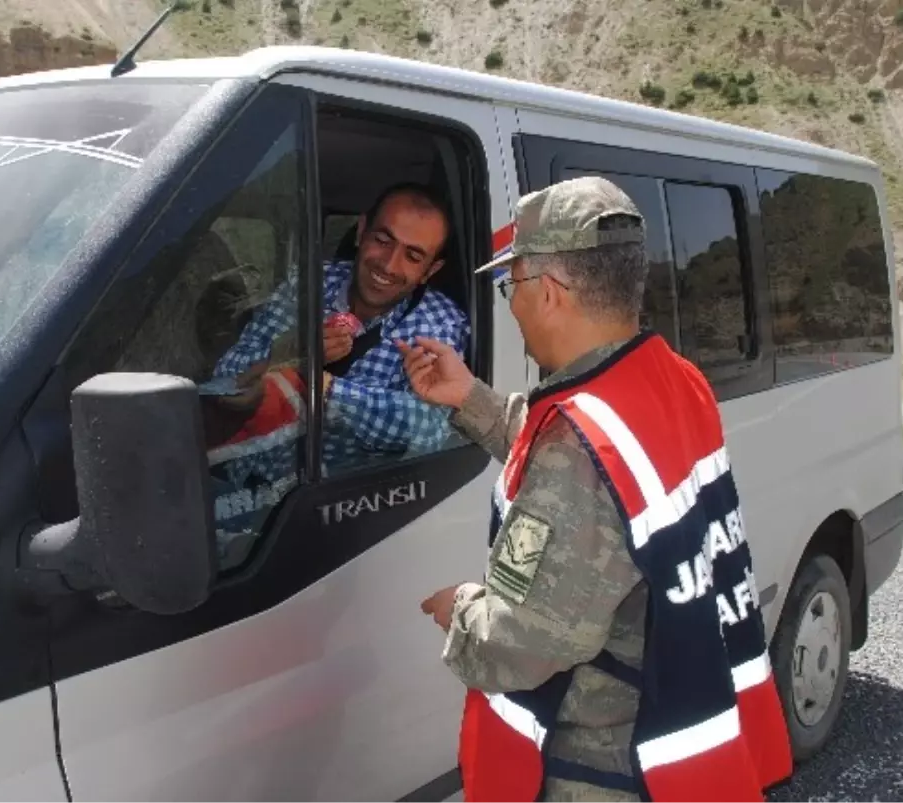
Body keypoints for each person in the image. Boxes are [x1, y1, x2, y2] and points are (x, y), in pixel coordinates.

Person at [399, 176, 793, 802]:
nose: (512, 303)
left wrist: (461, 611)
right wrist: (469, 399)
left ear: (550, 292)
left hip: (603, 772)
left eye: (512, 285)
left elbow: (530, 645)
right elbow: (609, 465)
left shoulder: (577, 445)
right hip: (674, 728)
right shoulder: (668, 379)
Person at [208, 182, 470, 484]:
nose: (388, 264)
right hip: (239, 483)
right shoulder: (310, 283)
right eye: (383, 240)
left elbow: (429, 429)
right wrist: (289, 350)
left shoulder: (439, 324)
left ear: (429, 270)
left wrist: (325, 388)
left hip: (332, 503)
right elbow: (225, 376)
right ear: (360, 232)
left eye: (412, 257)